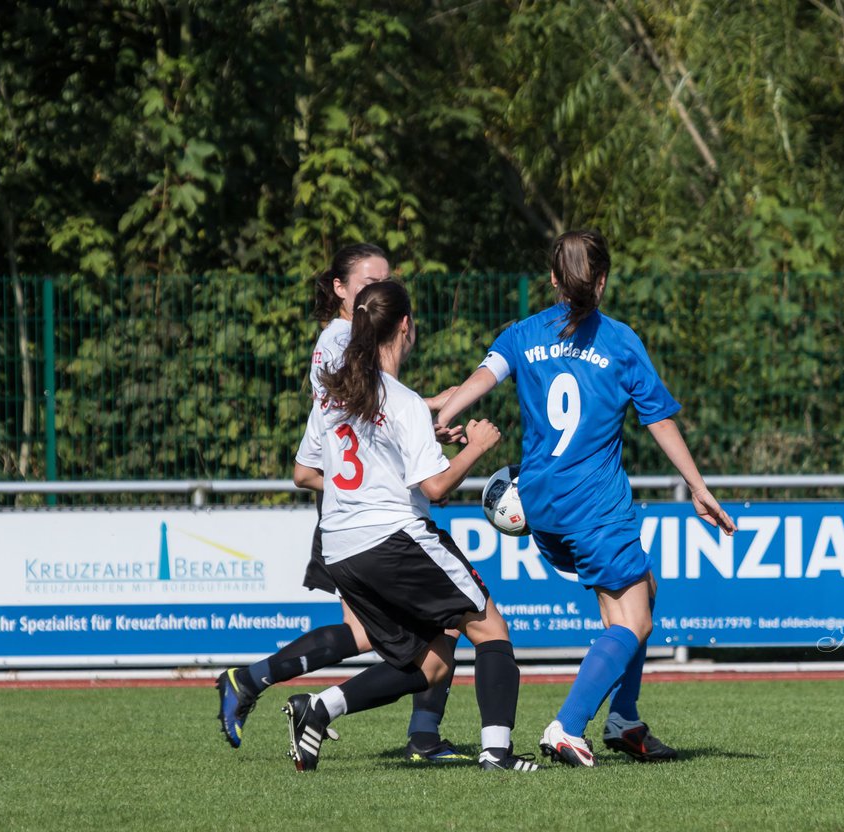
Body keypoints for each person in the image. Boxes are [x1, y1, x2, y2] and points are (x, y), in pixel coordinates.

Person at [437, 229, 736, 767]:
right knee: (632, 623)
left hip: (542, 507)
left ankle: (624, 719)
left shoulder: (523, 333)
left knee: (643, 586)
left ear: (553, 279)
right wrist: (698, 484)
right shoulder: (620, 342)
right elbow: (659, 421)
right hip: (595, 506)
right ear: (602, 281)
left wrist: (445, 417)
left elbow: (478, 382)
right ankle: (567, 726)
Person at [216, 244, 466, 762]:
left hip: (357, 506)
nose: (379, 288)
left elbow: (364, 411)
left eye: (386, 279)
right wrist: (425, 410)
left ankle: (253, 679)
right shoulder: (340, 337)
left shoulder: (341, 339)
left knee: (379, 631)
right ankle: (420, 736)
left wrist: (423, 417)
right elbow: (360, 402)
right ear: (339, 288)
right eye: (368, 281)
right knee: (432, 623)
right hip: (365, 511)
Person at [283, 278, 537, 773]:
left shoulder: (334, 396)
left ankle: (318, 708)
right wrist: (477, 447)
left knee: (432, 661)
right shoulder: (401, 400)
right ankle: (498, 754)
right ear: (405, 326)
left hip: (341, 550)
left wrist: (378, 481)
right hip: (394, 540)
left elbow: (304, 474)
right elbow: (437, 489)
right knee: (492, 630)